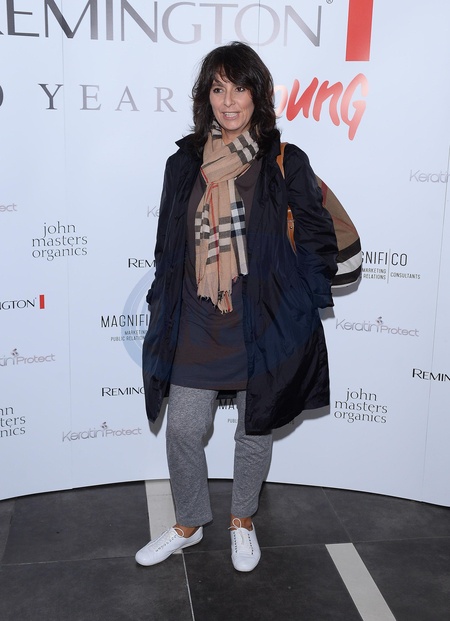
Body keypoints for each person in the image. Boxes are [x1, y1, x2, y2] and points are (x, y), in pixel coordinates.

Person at [137, 41, 337, 572]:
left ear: (259, 95)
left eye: (240, 88)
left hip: (262, 319)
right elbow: (167, 244)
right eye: (218, 88)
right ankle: (189, 522)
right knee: (183, 427)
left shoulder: (284, 161)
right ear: (206, 97)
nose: (229, 101)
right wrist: (161, 300)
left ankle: (242, 519)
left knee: (254, 426)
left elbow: (317, 237)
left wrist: (302, 303)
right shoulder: (184, 163)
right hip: (197, 316)